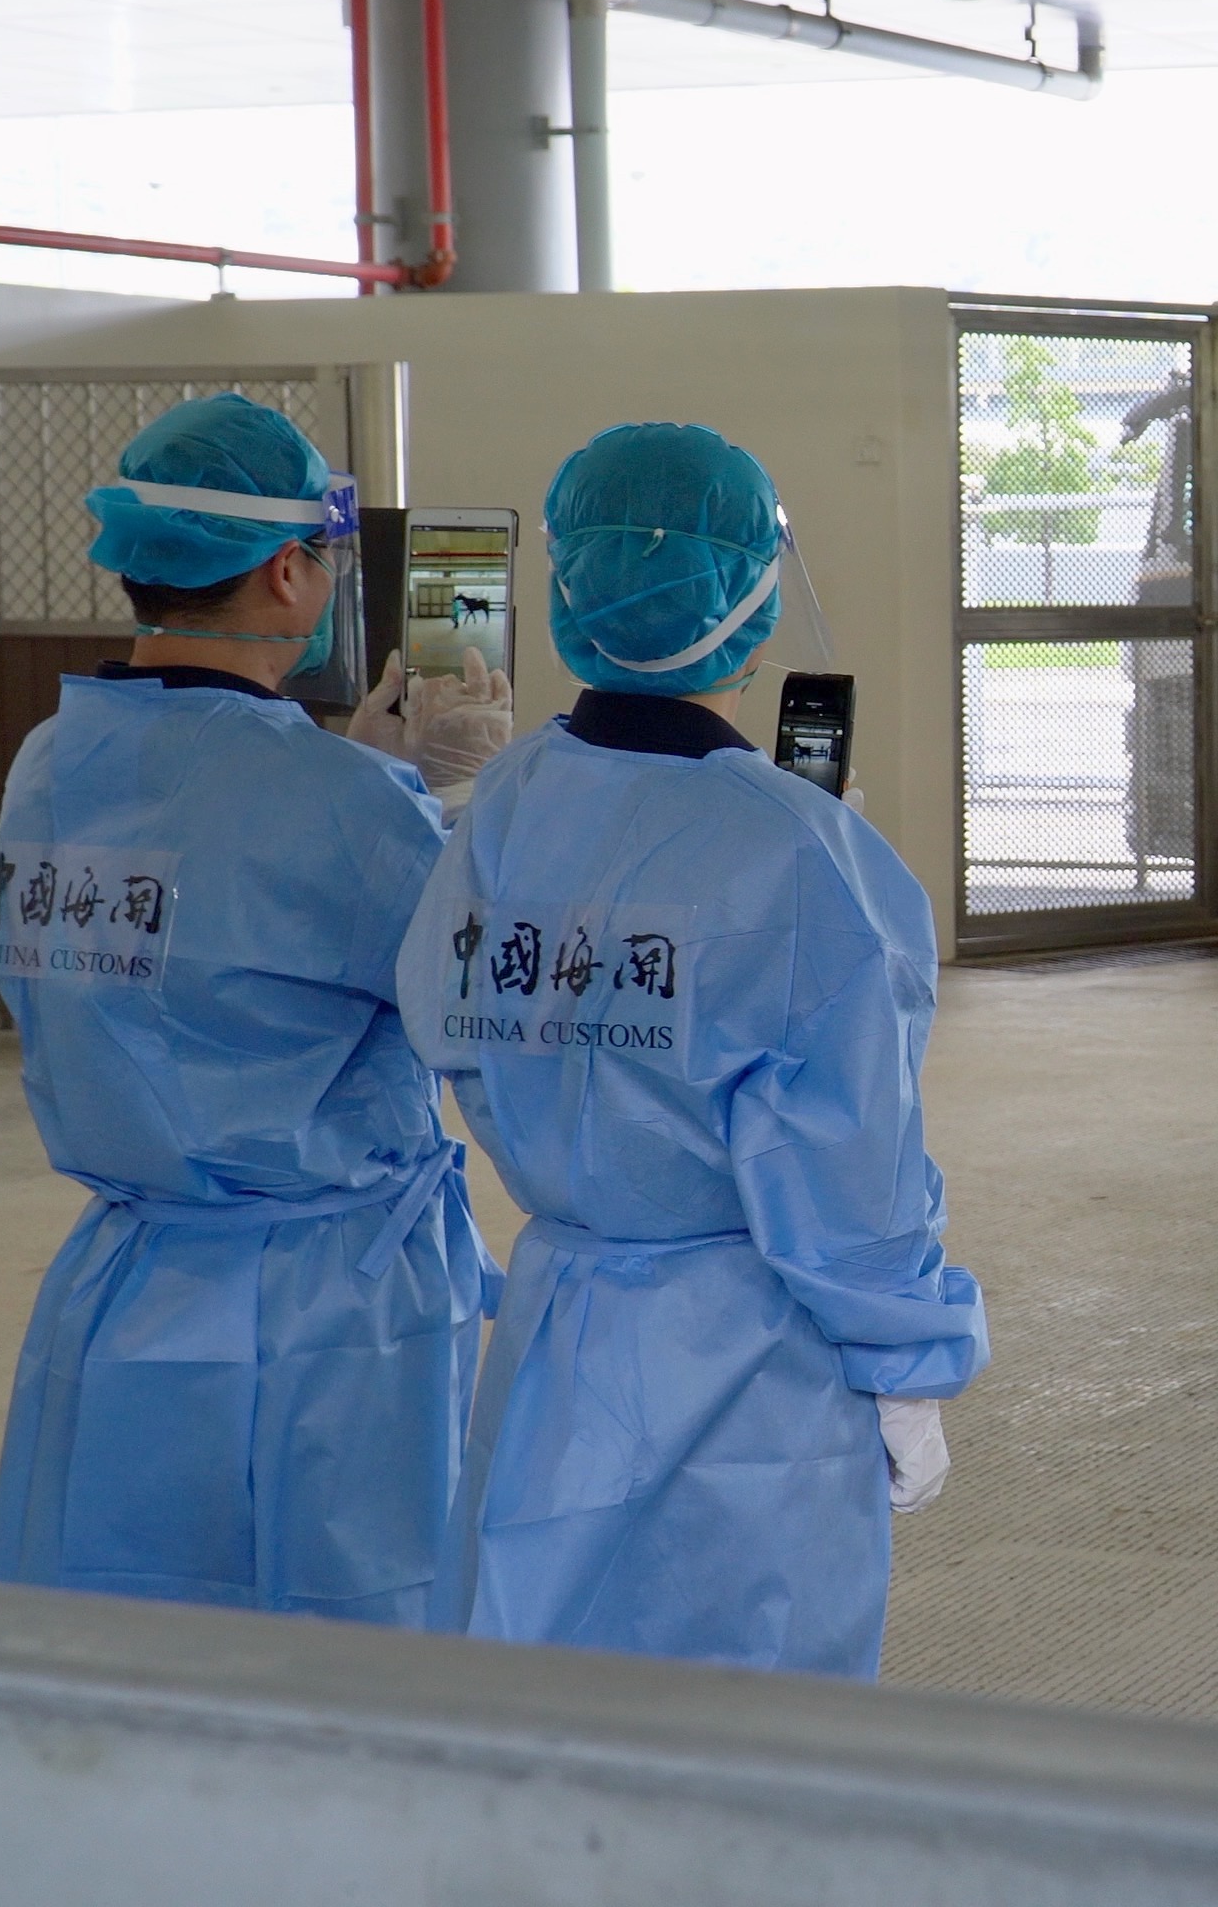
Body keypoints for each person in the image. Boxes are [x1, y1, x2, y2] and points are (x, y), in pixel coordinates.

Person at [398, 422, 987, 1681]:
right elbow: (849, 1160)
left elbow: (449, 1027)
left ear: (568, 599)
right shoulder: (801, 853)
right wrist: (904, 1361)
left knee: (539, 1683)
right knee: (737, 1722)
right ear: (751, 614)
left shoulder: (505, 801)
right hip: (748, 1363)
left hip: (555, 1322)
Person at [0, 393, 503, 1626]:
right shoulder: (338, 802)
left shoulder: (50, 761)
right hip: (336, 1297)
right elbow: (468, 999)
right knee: (349, 1630)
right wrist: (459, 803)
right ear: (288, 570)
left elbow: (203, 909)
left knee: (131, 1622)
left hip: (129, 1274)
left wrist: (368, 775)